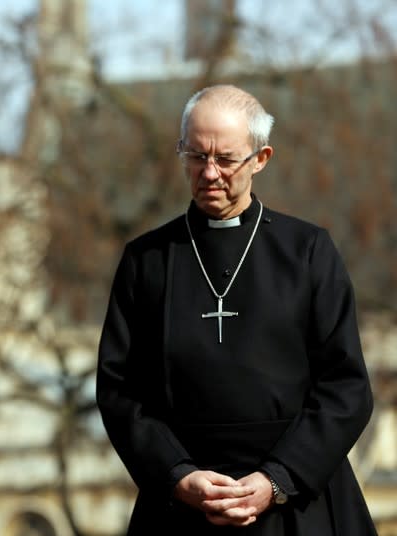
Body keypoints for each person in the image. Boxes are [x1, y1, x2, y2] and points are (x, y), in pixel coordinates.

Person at [96, 84, 376, 534]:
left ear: (260, 159)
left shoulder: (307, 252)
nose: (209, 173)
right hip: (182, 507)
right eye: (195, 155)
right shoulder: (146, 261)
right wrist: (177, 475)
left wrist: (277, 479)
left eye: (226, 159)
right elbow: (120, 391)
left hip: (296, 501)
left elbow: (347, 387)